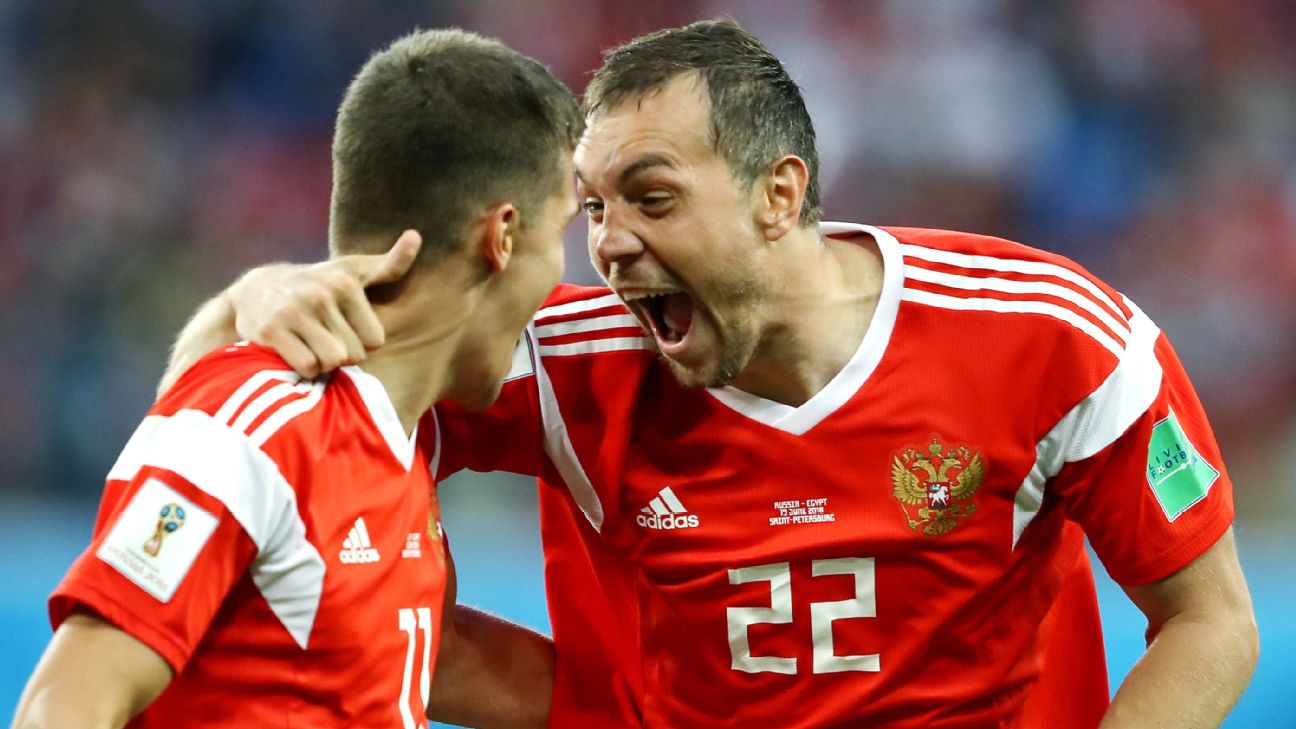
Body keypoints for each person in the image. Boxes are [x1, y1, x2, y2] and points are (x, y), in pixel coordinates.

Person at [165, 19, 1258, 729]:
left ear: (779, 195)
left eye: (651, 199)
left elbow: (1211, 621)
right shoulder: (568, 365)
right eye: (591, 209)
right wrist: (255, 297)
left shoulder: (1052, 338)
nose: (609, 245)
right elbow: (261, 434)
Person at [12, 28, 581, 729]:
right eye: (563, 230)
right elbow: (61, 707)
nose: (567, 270)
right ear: (502, 237)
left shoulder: (396, 444)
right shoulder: (260, 426)